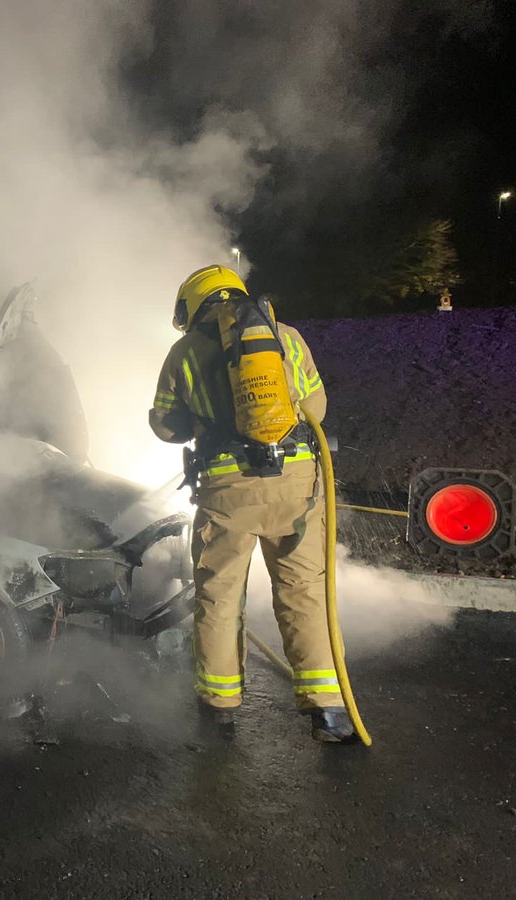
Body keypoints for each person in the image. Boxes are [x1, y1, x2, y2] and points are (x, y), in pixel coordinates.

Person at [149, 265, 354, 743]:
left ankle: (219, 707)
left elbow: (164, 426)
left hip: (227, 495)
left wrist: (202, 422)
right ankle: (329, 712)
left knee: (219, 597)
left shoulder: (182, 352)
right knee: (305, 593)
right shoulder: (287, 337)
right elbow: (316, 410)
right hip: (296, 487)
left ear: (192, 305)